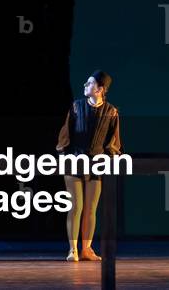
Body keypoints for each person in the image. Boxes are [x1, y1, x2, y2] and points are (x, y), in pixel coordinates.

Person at [55, 70, 122, 262]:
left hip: (96, 163)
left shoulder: (111, 112)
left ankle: (86, 248)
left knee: (91, 208)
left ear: (100, 89)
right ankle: (72, 249)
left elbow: (113, 142)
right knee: (76, 206)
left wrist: (107, 159)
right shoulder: (76, 107)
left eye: (90, 83)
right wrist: (65, 157)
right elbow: (65, 136)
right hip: (75, 161)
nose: (85, 85)